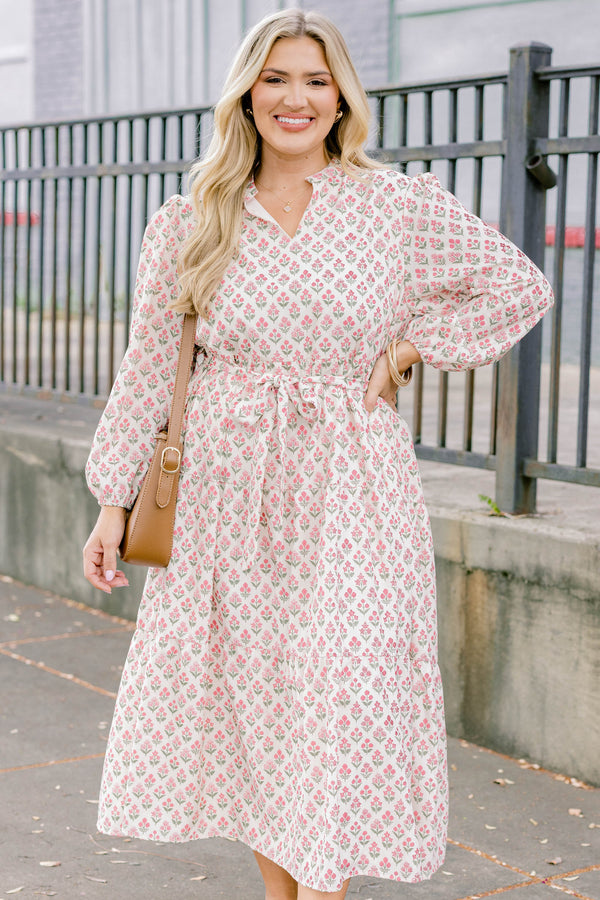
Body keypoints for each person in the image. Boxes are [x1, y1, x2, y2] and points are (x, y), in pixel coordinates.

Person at [82, 8, 554, 899]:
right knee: (263, 711)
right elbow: (147, 367)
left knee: (337, 703)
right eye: (275, 78)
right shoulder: (194, 217)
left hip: (351, 494)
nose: (295, 98)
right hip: (230, 495)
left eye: (315, 79)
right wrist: (112, 501)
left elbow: (517, 286)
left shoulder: (394, 205)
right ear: (247, 94)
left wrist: (406, 350)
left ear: (341, 97)